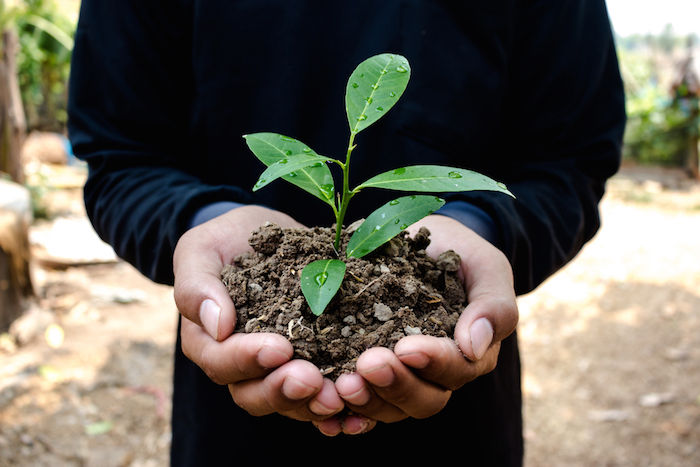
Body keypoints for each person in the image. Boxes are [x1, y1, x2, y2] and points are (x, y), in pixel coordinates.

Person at [67, 1, 626, 465]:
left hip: (458, 417)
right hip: (232, 415)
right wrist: (202, 228)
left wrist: (475, 229)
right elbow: (121, 154)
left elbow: (571, 157)